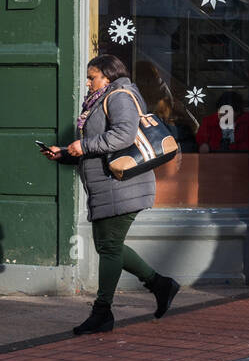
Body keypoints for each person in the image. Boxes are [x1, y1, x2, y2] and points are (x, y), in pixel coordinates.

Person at [44, 54, 180, 334]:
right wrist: (66, 154)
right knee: (110, 246)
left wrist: (84, 145)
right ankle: (160, 284)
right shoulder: (102, 99)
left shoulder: (118, 96)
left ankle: (102, 312)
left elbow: (124, 136)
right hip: (108, 185)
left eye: (92, 77)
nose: (88, 82)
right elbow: (98, 148)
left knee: (108, 248)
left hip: (123, 185)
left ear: (107, 76)